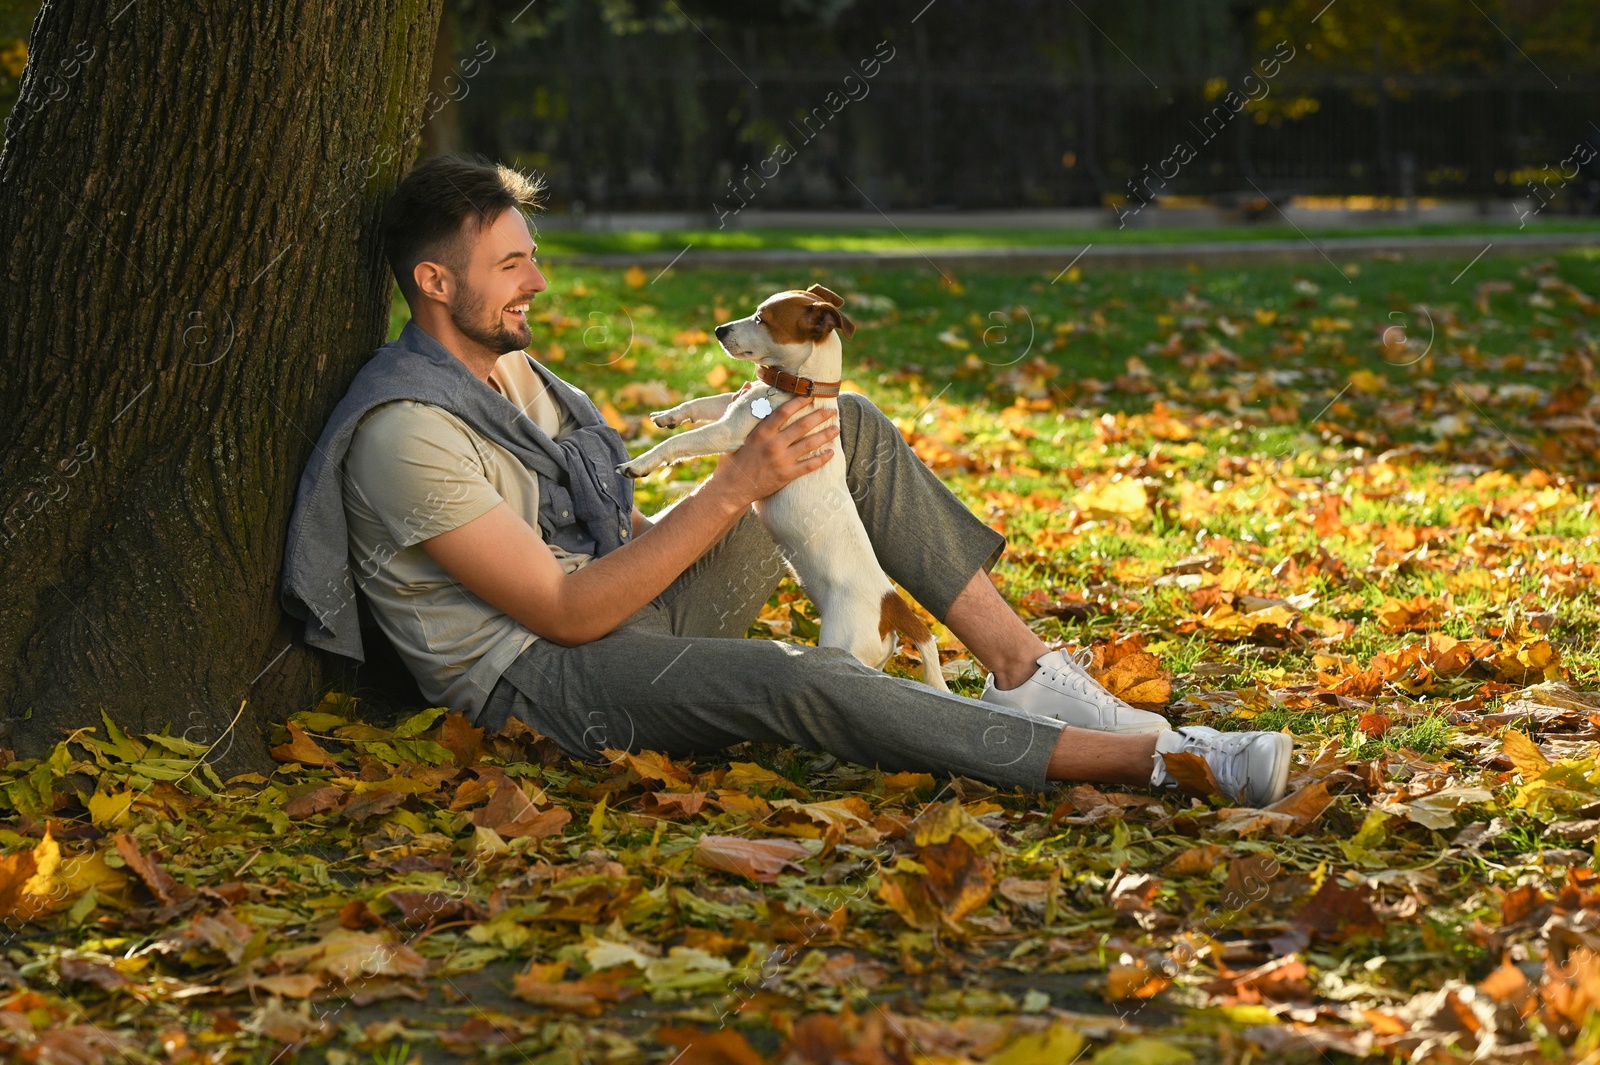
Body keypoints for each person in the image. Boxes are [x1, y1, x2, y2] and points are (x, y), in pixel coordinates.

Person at [280, 155, 1293, 807]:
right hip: (538, 686)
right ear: (434, 281)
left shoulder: (518, 378)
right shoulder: (405, 432)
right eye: (509, 266)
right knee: (796, 680)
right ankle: (1158, 761)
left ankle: (1030, 675)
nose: (537, 282)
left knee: (832, 423)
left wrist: (744, 476)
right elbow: (562, 610)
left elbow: (617, 538)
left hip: (617, 611)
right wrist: (731, 487)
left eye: (530, 256)